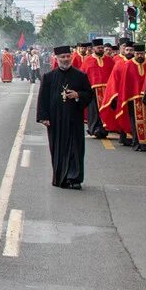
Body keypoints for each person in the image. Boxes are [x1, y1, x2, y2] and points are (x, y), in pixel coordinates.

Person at [36, 46, 93, 189]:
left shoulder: (80, 76)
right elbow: (42, 98)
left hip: (74, 118)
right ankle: (60, 177)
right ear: (57, 58)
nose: (65, 59)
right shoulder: (48, 77)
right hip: (55, 120)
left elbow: (89, 94)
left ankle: (74, 179)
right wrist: (44, 117)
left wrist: (78, 95)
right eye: (62, 57)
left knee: (75, 148)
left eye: (68, 56)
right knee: (57, 149)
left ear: (71, 57)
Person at [117, 43, 146, 152]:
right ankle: (137, 143)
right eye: (137, 54)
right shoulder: (128, 65)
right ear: (135, 54)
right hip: (133, 99)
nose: (139, 56)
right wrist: (125, 98)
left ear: (144, 53)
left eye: (141, 53)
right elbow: (125, 83)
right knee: (135, 122)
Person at [81, 38, 112, 139]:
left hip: (107, 90)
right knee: (93, 111)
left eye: (102, 48)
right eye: (98, 48)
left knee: (106, 110)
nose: (101, 49)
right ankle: (94, 129)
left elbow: (113, 74)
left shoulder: (109, 60)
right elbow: (83, 74)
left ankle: (104, 129)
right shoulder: (88, 60)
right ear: (94, 48)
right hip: (92, 90)